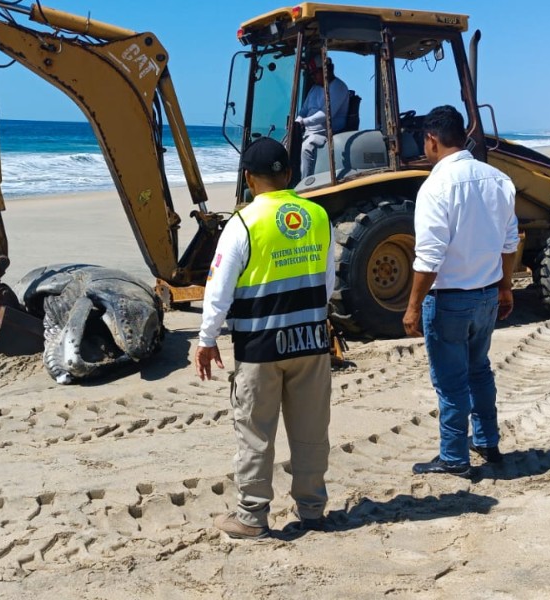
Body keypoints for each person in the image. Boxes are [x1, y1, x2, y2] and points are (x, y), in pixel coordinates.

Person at [195, 136, 336, 539]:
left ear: (248, 179)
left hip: (260, 346)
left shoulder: (242, 223)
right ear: (288, 174)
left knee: (255, 431)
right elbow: (326, 283)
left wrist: (206, 340)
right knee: (311, 430)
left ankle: (252, 516)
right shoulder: (317, 215)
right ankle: (312, 510)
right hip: (310, 341)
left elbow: (218, 288)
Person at [403, 105, 518, 477]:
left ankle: (453, 455)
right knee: (480, 370)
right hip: (486, 294)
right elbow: (509, 242)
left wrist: (412, 307)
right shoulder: (498, 179)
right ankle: (487, 441)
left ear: (432, 140)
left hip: (450, 298)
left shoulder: (435, 186)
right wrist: (505, 288)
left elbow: (429, 257)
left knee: (451, 381)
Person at [295, 54, 350, 179]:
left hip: (327, 133)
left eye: (315, 73)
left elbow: (326, 114)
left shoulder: (339, 87)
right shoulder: (314, 89)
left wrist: (304, 122)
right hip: (308, 131)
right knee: (286, 145)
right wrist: (297, 120)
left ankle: (304, 185)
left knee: (306, 148)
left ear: (327, 70)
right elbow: (303, 110)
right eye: (311, 74)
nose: (313, 76)